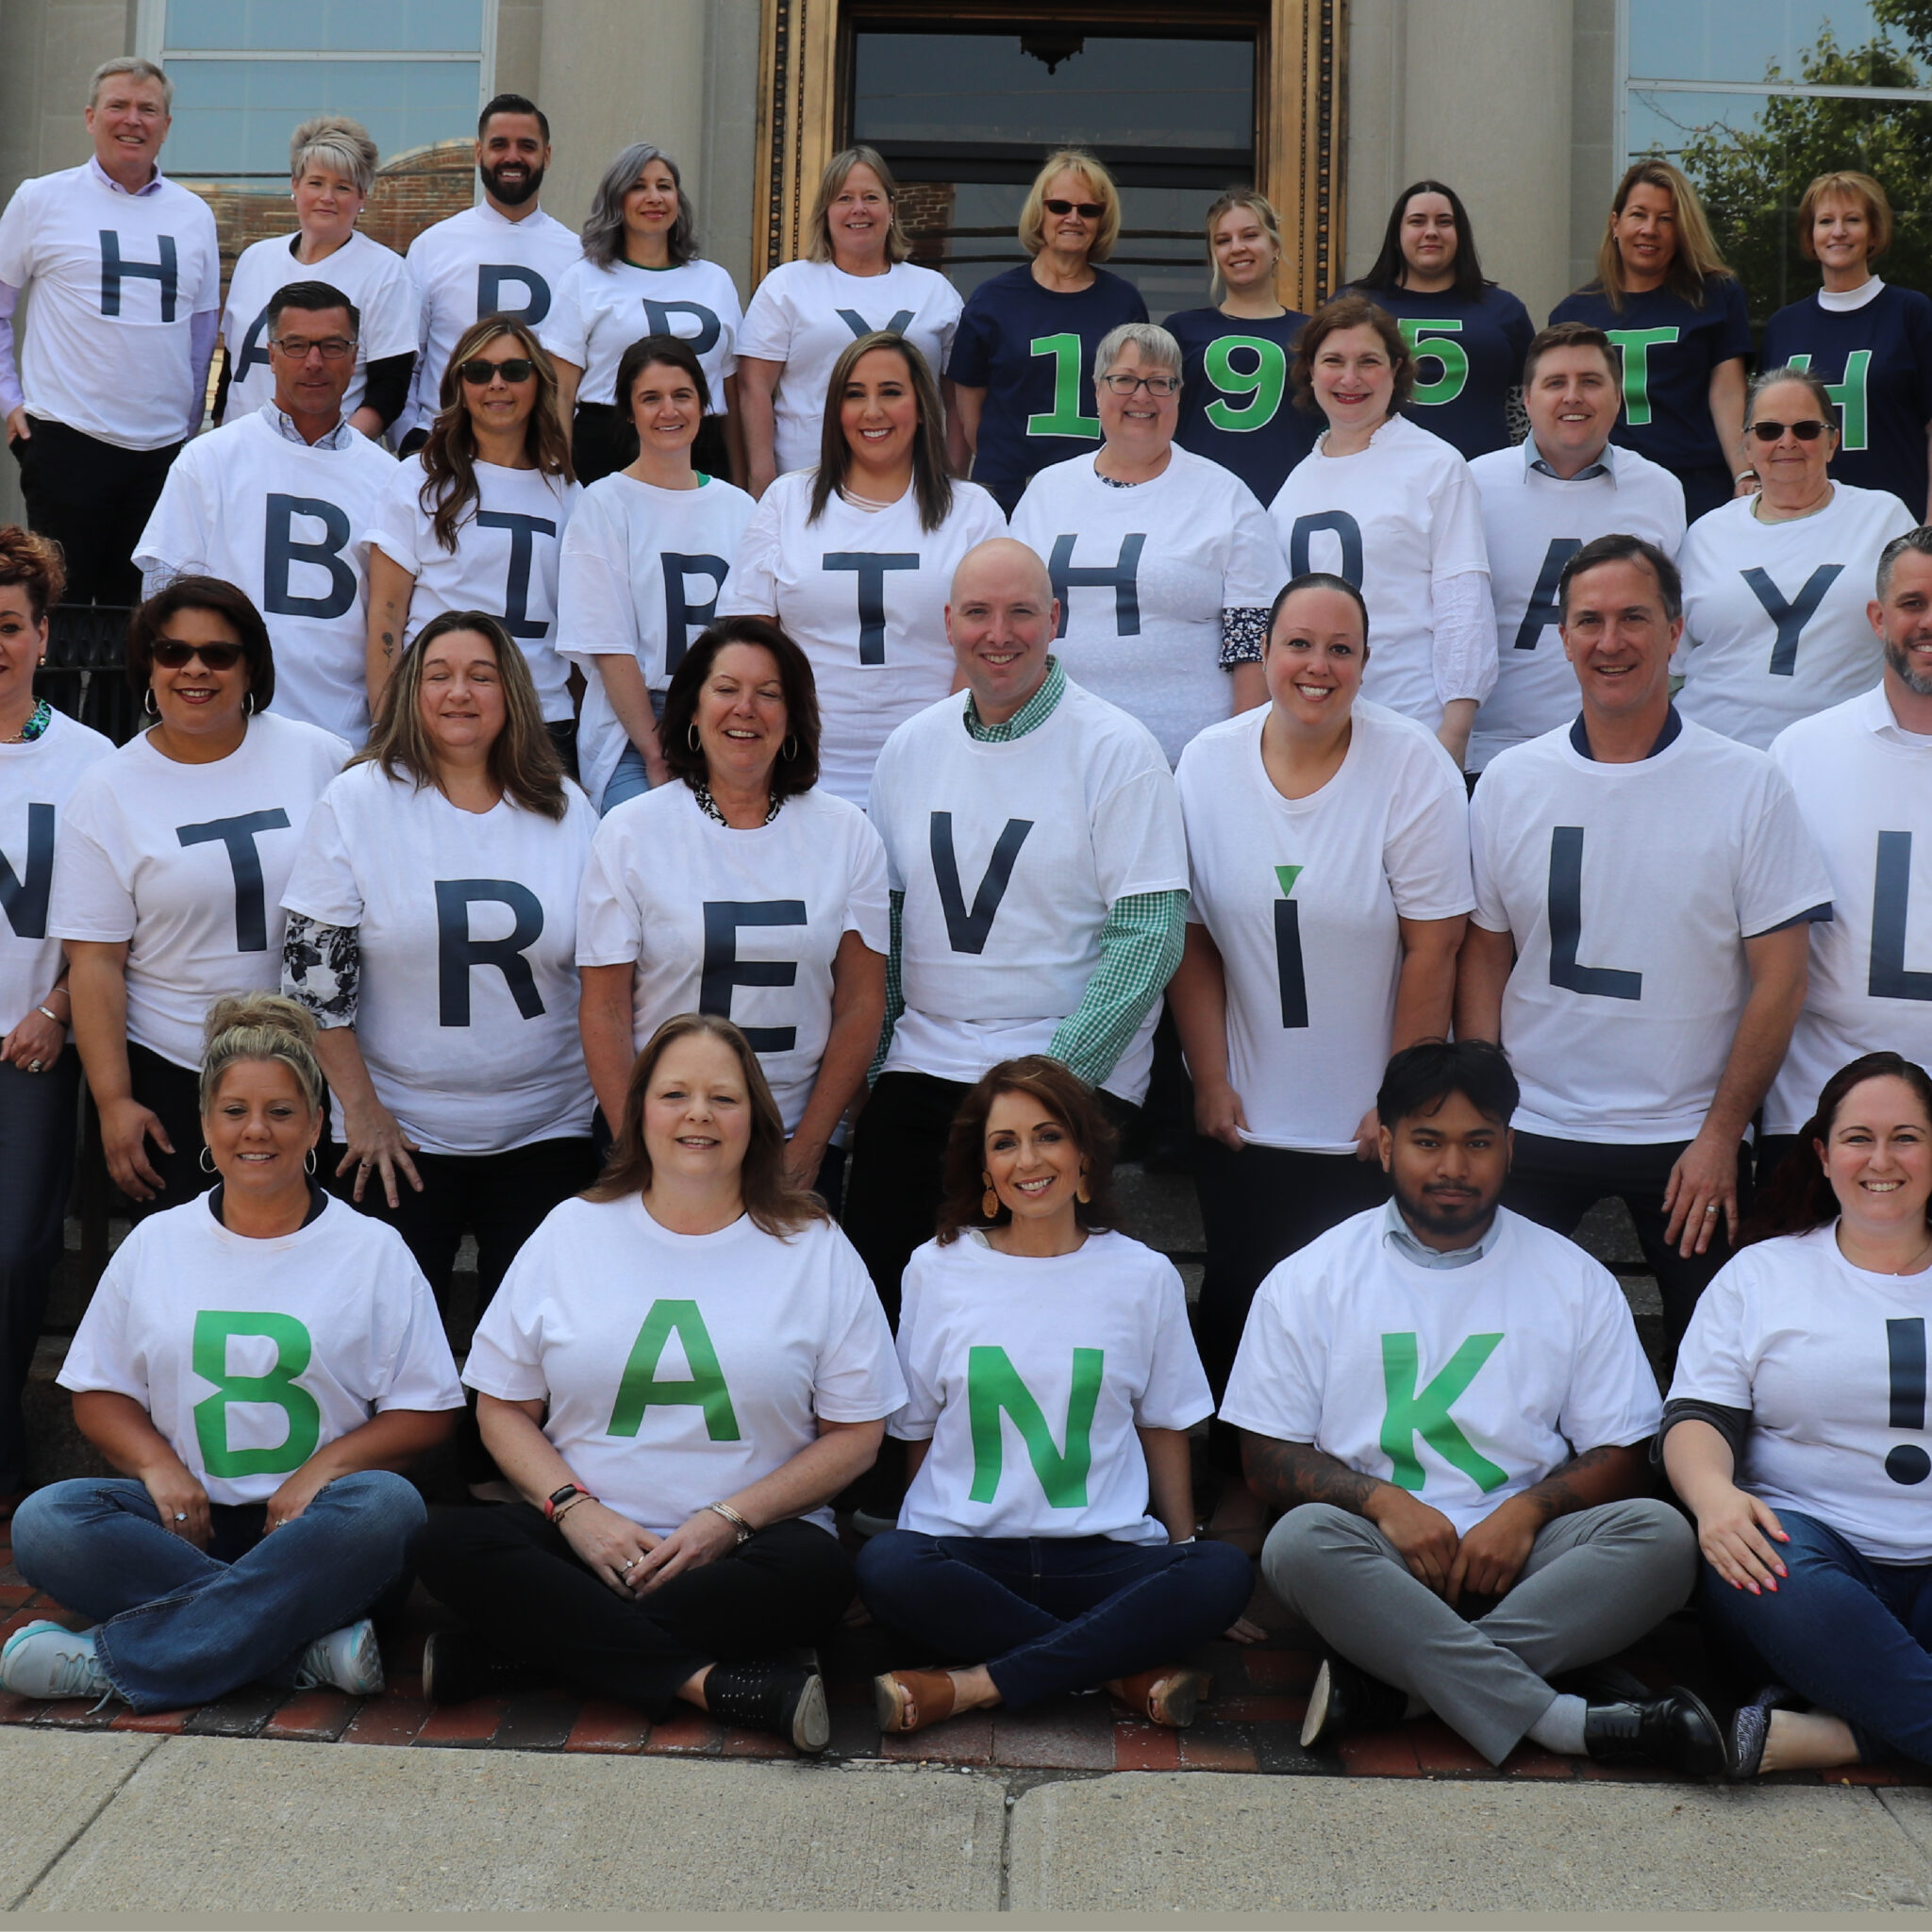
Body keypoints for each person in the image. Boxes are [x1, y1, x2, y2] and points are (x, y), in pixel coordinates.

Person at [411, 1012, 906, 1753]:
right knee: (446, 1544)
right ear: (638, 1112)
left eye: (724, 1098)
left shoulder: (813, 1245)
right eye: (675, 1094)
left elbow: (858, 1435)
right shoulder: (571, 1231)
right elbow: (502, 1408)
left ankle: (518, 1653)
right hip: (581, 1544)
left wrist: (728, 1520)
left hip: (751, 1548)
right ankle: (712, 1685)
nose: (699, 1114)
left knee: (816, 1574)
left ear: (756, 1119)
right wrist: (576, 1513)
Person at [1224, 1039, 1721, 1774]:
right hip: (1379, 1562)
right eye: (1428, 1142)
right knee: (1298, 1541)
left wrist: (1524, 1516)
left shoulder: (1572, 1278)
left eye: (1477, 1143)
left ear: (1509, 1149)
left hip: (1529, 1563)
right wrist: (1384, 1503)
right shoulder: (1311, 1278)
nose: (1454, 1167)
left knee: (1663, 1538)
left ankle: (1399, 1690)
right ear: (1387, 1144)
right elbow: (1264, 1458)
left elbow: (1625, 1454)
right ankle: (1558, 1717)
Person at [0, 994, 461, 1713]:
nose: (257, 1130)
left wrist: (322, 1472)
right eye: (235, 1110)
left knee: (390, 1507)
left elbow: (426, 1412)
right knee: (46, 1522)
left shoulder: (372, 1250)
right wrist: (157, 1467)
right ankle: (297, 1649)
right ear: (207, 1127)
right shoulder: (157, 1243)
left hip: (319, 1534)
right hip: (183, 1528)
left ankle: (111, 1663)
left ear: (316, 1123)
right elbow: (97, 1392)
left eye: (281, 1111)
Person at [1456, 534, 1832, 1353]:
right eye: (1588, 620)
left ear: (1676, 630)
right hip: (1538, 1122)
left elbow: (1781, 980)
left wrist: (1721, 1135)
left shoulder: (1747, 782)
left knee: (1713, 1364)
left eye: (1634, 617)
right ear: (1561, 638)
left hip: (1687, 1134)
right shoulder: (1512, 781)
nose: (1611, 641)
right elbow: (1486, 949)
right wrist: (1489, 1103)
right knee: (1504, 1347)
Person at [1169, 573, 1470, 1546]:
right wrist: (1210, 1075)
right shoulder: (1207, 762)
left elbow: (1434, 941)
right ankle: (1232, 1506)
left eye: (1340, 648)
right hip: (1249, 1108)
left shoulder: (1408, 763)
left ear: (1365, 662)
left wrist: (1399, 1101)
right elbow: (1193, 938)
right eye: (1298, 643)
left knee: (1350, 1319)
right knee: (1237, 1295)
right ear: (1263, 653)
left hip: (1361, 1124)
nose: (1316, 665)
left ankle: (1332, 1515)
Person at [842, 538, 1188, 1324]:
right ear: (948, 623)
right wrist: (878, 1063)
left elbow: (1152, 935)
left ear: (1055, 619)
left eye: (1021, 612)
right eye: (978, 613)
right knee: (879, 1288)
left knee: (1015, 1304)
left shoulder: (1117, 750)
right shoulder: (908, 750)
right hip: (926, 1060)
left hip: (1066, 1064)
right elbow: (888, 933)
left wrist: (1051, 1083)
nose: (999, 633)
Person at [857, 1057, 1254, 1734]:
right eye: (1003, 1143)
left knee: (1219, 1572)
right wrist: (917, 1533)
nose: (1026, 1159)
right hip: (970, 1556)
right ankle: (1119, 1670)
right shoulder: (937, 1267)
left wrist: (1180, 1545)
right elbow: (917, 1427)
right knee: (887, 1563)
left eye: (1048, 1136)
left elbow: (1163, 1426)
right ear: (983, 1170)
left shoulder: (1143, 1274)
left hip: (1101, 1556)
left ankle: (973, 1685)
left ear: (1085, 1156)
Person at [281, 609, 597, 1343]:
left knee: (531, 1350)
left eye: (482, 676)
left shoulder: (567, 809)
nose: (461, 692)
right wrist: (362, 1112)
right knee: (386, 1347)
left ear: (512, 695)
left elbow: (608, 974)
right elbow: (311, 981)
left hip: (549, 1128)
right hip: (399, 1136)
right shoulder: (357, 801)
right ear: (410, 694)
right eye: (439, 675)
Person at [1664, 1052, 1932, 1777]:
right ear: (1821, 1153)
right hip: (1803, 1558)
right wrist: (1714, 1498)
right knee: (1765, 1571)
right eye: (1858, 1138)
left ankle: (1845, 1732)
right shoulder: (1763, 1273)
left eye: (1906, 1137)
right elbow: (1697, 1417)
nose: (1882, 1159)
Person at [50, 577, 348, 1213]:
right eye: (171, 651)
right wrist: (114, 1103)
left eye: (219, 654)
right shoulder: (106, 790)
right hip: (177, 1066)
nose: (194, 668)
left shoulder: (320, 757)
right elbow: (96, 962)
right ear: (147, 666)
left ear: (251, 668)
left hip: (313, 1061)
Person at [576, 617, 885, 1207]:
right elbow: (606, 1008)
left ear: (793, 717)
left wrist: (812, 1145)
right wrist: (636, 1145)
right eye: (725, 690)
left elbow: (861, 1004)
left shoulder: (848, 835)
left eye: (769, 694)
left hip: (793, 1137)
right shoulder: (630, 832)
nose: (746, 708)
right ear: (691, 711)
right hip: (661, 1138)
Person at [719, 331, 1006, 807]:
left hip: (940, 772)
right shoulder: (787, 501)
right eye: (855, 395)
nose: (872, 411)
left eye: (890, 392)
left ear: (921, 406)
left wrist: (945, 749)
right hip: (802, 775)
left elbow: (996, 640)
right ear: (836, 412)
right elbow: (750, 641)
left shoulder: (972, 511)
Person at [132, 280, 397, 743]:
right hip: (230, 734)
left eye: (332, 346)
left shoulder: (390, 479)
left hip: (345, 739)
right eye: (296, 345)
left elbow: (394, 618)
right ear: (271, 355)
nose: (314, 362)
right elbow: (163, 598)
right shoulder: (209, 459)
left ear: (355, 358)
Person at [1010, 322, 1286, 765]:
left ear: (1179, 396)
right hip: (1055, 756)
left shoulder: (1225, 496)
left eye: (1161, 383)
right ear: (1098, 391)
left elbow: (1256, 646)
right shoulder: (1047, 492)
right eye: (1124, 380)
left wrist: (1238, 762)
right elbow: (1007, 620)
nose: (1142, 396)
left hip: (1185, 761)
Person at [0, 58, 219, 605]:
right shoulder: (40, 199)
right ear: (91, 117)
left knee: (140, 622)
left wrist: (188, 426)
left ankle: (125, 700)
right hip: (66, 441)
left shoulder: (194, 215)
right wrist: (9, 401)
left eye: (148, 109)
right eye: (119, 106)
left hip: (161, 455)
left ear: (166, 125)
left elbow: (201, 333)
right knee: (60, 617)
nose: (133, 120)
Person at [1761, 528, 1932, 1174]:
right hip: (1813, 1106)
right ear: (1877, 617)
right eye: (1913, 603)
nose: (1928, 623)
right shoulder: (1802, 752)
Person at [0, 529, 112, 1508]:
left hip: (30, 1048)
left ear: (43, 636)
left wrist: (55, 1008)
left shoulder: (92, 762)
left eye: (8, 626)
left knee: (16, 1250)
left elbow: (115, 918)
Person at [1266, 294, 1495, 768]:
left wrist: (1454, 730)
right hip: (1315, 732)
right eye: (1334, 361)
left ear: (1395, 369)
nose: (1350, 379)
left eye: (1368, 362)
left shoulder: (1435, 466)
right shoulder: (1294, 484)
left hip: (1409, 724)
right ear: (1310, 371)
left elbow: (1463, 604)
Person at [1467, 322, 1687, 774]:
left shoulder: (1659, 490)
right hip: (1493, 751)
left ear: (1618, 396)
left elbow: (1671, 631)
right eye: (1554, 383)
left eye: (1590, 382)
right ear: (1527, 399)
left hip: (1624, 753)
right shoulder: (1472, 484)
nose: (1573, 396)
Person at [363, 315, 578, 761]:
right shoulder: (417, 481)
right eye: (479, 372)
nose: (496, 384)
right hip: (439, 716)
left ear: (539, 381)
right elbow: (385, 614)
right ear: (459, 386)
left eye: (514, 371)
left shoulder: (571, 493)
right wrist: (388, 725)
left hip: (541, 718)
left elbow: (578, 630)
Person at [556, 336, 756, 813]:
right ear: (628, 410)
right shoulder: (602, 504)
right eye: (651, 398)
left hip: (726, 716)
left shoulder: (740, 508)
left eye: (682, 395)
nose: (669, 411)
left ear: (703, 404)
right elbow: (608, 644)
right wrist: (654, 749)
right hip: (633, 729)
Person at [1676, 364, 1915, 751]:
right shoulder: (1705, 534)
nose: (1787, 442)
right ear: (1747, 446)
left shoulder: (1884, 518)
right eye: (1769, 431)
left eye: (1805, 429)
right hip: (1716, 752)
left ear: (1833, 441)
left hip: (1844, 755)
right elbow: (1675, 656)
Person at [739, 146, 960, 500]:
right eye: (844, 198)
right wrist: (762, 477)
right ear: (825, 211)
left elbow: (956, 397)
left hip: (914, 487)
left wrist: (954, 474)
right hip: (808, 482)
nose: (859, 209)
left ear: (891, 209)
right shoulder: (787, 286)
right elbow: (753, 389)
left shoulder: (934, 291)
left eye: (871, 197)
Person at [947, 150, 1148, 515]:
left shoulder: (1124, 303)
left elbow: (1137, 402)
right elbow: (971, 418)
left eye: (1088, 210)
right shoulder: (992, 300)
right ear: (1039, 213)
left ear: (1102, 222)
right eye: (1060, 206)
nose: (1073, 218)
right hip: (1007, 495)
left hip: (1099, 496)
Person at [1551, 160, 1751, 525]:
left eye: (1666, 219)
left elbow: (1727, 394)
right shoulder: (1574, 311)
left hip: (1696, 484)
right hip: (1607, 486)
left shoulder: (1716, 296)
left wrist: (1744, 474)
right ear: (1615, 224)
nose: (1649, 230)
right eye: (1638, 215)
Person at [543, 142, 744, 488]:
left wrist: (743, 480)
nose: (654, 197)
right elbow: (560, 393)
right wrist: (560, 478)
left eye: (664, 186)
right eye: (638, 186)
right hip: (608, 449)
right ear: (616, 200)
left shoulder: (715, 280)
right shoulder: (583, 278)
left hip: (702, 450)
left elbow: (732, 393)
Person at [397, 94, 580, 454]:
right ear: (479, 153)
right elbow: (407, 359)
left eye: (526, 146)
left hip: (538, 457)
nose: (512, 157)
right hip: (443, 450)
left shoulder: (579, 255)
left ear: (547, 155)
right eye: (500, 145)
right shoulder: (432, 246)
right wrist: (409, 437)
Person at [215, 116, 415, 440]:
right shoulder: (255, 258)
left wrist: (335, 452)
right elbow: (231, 370)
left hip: (324, 460)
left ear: (363, 196)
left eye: (343, 187)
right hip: (241, 454)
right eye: (316, 182)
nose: (327, 197)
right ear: (295, 185)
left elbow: (389, 389)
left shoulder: (386, 272)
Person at [1761, 171, 1932, 522]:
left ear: (1873, 232)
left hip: (1895, 522)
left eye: (1852, 220)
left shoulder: (1911, 313)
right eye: (1826, 221)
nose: (1838, 231)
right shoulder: (1783, 326)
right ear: (1811, 235)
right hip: (1801, 522)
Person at [1348, 180, 1534, 460]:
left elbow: (1524, 409)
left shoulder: (1505, 309)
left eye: (1444, 222)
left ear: (1460, 235)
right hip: (1375, 479)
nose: (1431, 232)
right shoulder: (1353, 306)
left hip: (1482, 481)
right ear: (1397, 235)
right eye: (1417, 221)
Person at [1166, 189, 1316, 507]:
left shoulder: (1314, 333)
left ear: (1274, 246)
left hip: (1288, 506)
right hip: (1198, 506)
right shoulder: (1181, 331)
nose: (1237, 248)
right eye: (1223, 240)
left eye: (1250, 235)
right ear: (1214, 255)